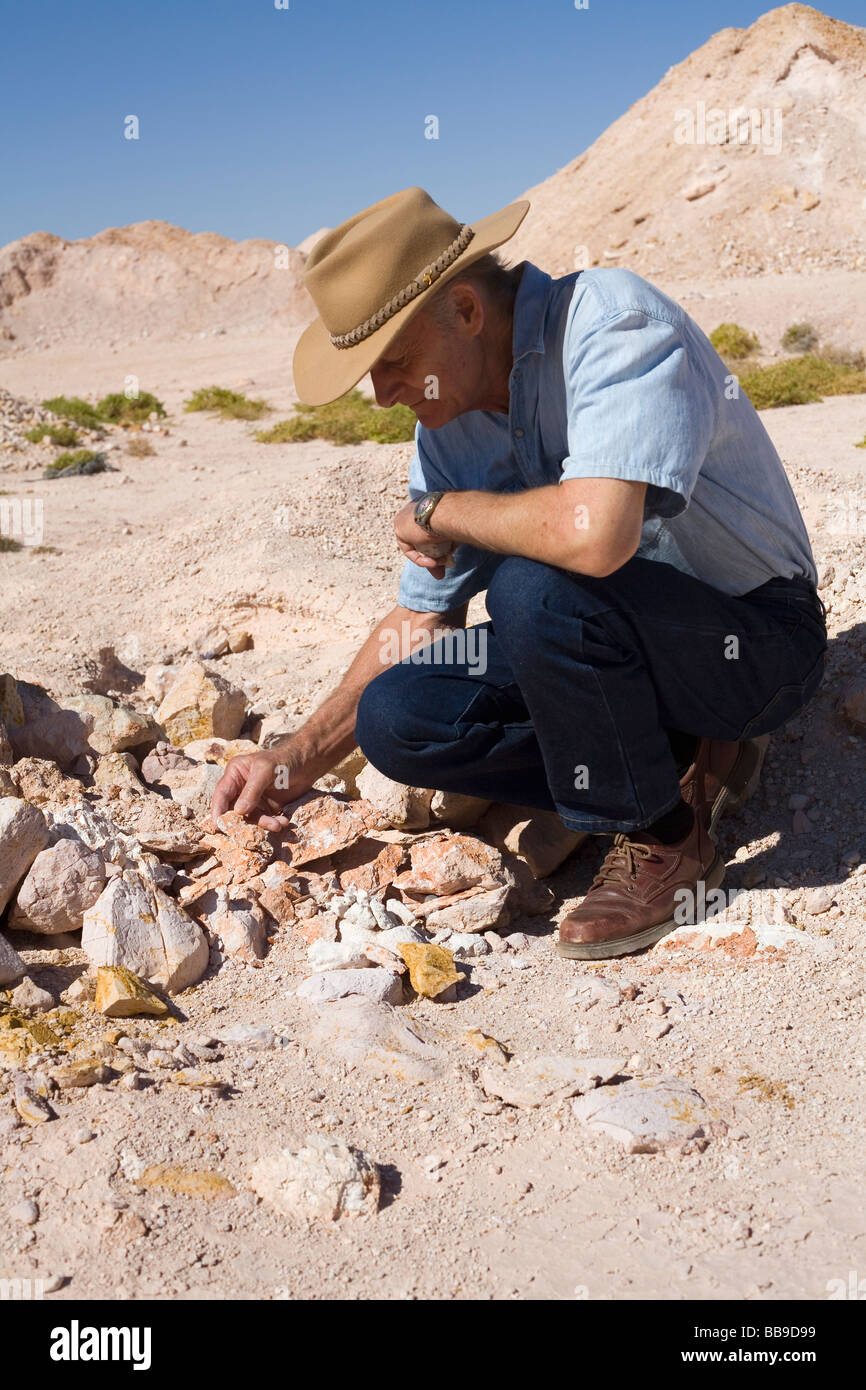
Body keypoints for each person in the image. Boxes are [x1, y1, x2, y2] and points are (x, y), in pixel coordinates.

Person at [212, 186, 827, 959]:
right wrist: (295, 753)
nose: (381, 396)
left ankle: (665, 837)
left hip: (753, 641)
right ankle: (670, 762)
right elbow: (422, 618)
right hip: (609, 649)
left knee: (531, 588)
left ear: (466, 312)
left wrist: (448, 513)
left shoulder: (613, 322)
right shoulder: (448, 426)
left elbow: (595, 538)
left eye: (394, 362)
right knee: (398, 717)